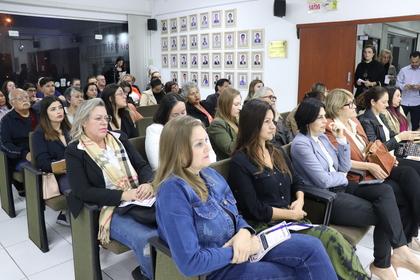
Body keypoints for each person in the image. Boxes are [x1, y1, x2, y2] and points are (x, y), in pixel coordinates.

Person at [154, 115, 337, 280]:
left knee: (313, 246)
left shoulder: (210, 175)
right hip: (219, 268)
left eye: (206, 141)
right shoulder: (173, 191)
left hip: (247, 245)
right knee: (294, 273)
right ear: (178, 152)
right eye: (199, 144)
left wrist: (244, 233)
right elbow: (191, 263)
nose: (208, 148)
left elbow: (236, 216)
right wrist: (241, 249)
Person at [228, 99, 369, 280]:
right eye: (267, 122)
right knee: (330, 236)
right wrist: (291, 215)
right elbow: (253, 209)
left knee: (334, 241)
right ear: (253, 124)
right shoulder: (241, 162)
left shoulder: (275, 152)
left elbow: (297, 181)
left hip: (290, 218)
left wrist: (300, 200)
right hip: (265, 226)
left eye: (273, 121)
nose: (273, 126)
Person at [65, 98, 156, 280]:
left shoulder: (119, 138)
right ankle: (148, 275)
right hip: (109, 208)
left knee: (175, 221)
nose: (104, 123)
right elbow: (82, 191)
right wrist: (123, 195)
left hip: (139, 197)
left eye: (106, 118)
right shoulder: (75, 151)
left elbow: (142, 166)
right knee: (147, 240)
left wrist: (147, 183)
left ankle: (169, 271)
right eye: (97, 118)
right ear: (83, 121)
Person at [324, 88, 420, 259]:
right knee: (397, 194)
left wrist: (384, 158)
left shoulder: (354, 121)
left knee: (409, 174)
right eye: (350, 103)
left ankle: (402, 243)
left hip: (372, 166)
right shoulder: (331, 128)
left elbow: (370, 146)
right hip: (357, 176)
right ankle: (394, 253)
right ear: (338, 107)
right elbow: (340, 161)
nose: (355, 106)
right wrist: (369, 167)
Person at [358, 86, 420, 174]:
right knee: (411, 171)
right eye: (384, 102)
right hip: (383, 161)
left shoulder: (380, 116)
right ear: (373, 102)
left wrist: (407, 136)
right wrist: (399, 137)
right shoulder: (365, 120)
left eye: (387, 101)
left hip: (390, 156)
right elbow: (376, 149)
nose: (387, 105)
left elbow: (391, 134)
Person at [33, 96, 72, 226]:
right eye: (53, 109)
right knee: (75, 185)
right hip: (59, 174)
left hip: (78, 167)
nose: (59, 112)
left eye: (60, 108)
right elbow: (43, 163)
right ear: (45, 113)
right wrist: (60, 165)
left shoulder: (69, 129)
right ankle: (76, 218)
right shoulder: (39, 134)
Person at [0, 89, 38, 196]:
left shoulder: (38, 113)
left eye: (26, 97)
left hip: (43, 150)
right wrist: (24, 154)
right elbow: (5, 143)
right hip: (22, 156)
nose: (25, 100)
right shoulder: (8, 120)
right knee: (36, 168)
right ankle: (37, 198)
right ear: (12, 103)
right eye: (19, 98)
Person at [145, 93, 187, 171]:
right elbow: (156, 164)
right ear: (165, 115)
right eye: (175, 115)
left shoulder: (194, 126)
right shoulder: (155, 130)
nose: (181, 118)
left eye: (183, 113)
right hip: (173, 174)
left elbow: (209, 154)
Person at [208, 88, 241, 161]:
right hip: (226, 166)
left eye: (240, 104)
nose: (239, 108)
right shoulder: (217, 124)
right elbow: (230, 149)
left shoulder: (235, 120)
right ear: (226, 105)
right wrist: (244, 129)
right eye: (236, 105)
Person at [396, 51, 420, 130]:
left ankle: (413, 141)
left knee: (415, 124)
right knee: (400, 123)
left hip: (417, 102)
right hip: (403, 101)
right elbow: (397, 84)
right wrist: (404, 86)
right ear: (409, 60)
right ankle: (401, 140)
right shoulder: (403, 70)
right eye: (412, 62)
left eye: (416, 62)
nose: (414, 64)